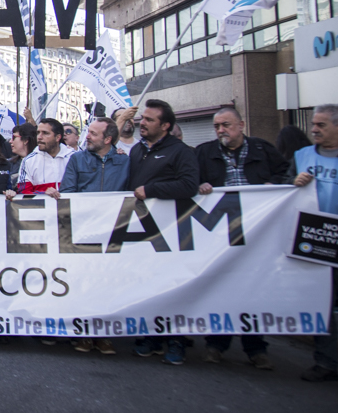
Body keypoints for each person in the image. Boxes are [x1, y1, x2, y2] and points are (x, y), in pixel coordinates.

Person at [193, 106, 289, 368]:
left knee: (251, 289)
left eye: (226, 125)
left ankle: (256, 348)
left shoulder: (262, 149)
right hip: (219, 235)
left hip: (257, 234)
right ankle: (216, 344)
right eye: (216, 126)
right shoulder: (204, 152)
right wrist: (199, 185)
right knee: (220, 287)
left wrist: (274, 184)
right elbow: (190, 179)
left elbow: (286, 173)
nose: (221, 130)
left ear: (241, 125)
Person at [128, 99, 199, 365]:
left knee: (172, 286)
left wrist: (152, 190)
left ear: (165, 125)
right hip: (143, 230)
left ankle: (176, 341)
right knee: (148, 283)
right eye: (143, 118)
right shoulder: (137, 150)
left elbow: (189, 185)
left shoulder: (181, 152)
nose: (142, 123)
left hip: (173, 232)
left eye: (149, 119)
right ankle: (152, 337)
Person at [292, 104, 338, 391]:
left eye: (321, 125)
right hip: (313, 239)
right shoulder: (302, 155)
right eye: (313, 124)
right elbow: (282, 192)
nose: (314, 129)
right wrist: (293, 182)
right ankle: (325, 364)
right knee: (321, 305)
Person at [57, 117, 128, 355]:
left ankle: (104, 335)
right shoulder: (77, 160)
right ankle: (83, 333)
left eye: (94, 134)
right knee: (83, 282)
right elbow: (68, 191)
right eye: (88, 132)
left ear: (108, 139)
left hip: (115, 231)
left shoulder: (124, 161)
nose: (87, 136)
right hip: (84, 230)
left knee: (108, 282)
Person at [14, 118, 74, 197]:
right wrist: (44, 194)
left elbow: (82, 188)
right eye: (38, 133)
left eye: (45, 133)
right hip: (41, 205)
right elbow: (23, 192)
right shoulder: (28, 161)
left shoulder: (73, 157)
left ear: (58, 137)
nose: (39, 137)